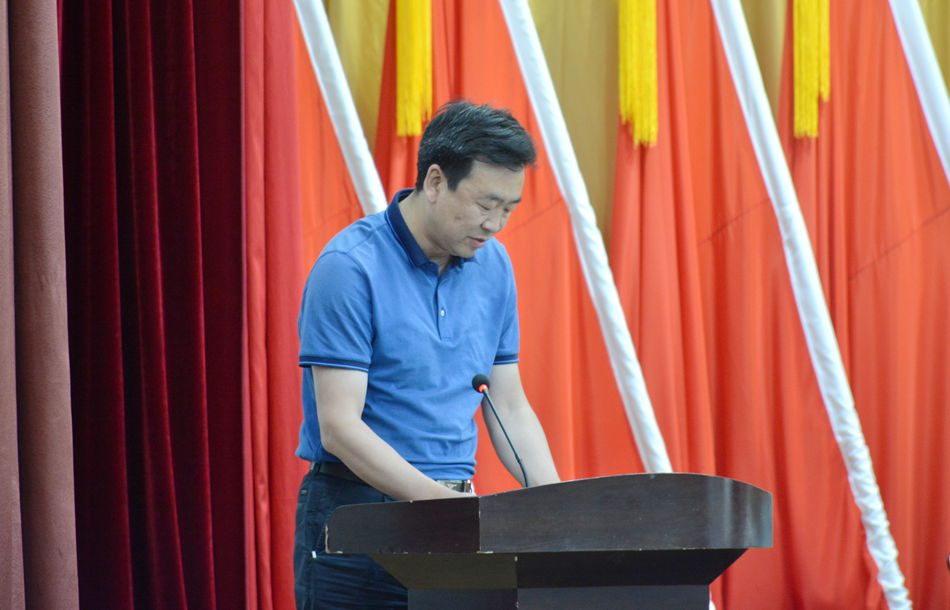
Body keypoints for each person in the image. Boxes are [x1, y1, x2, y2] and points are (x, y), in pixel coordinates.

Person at [293, 101, 560, 608]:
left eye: (509, 209)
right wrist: (447, 509)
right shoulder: (350, 267)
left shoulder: (494, 266)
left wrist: (556, 509)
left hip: (452, 516)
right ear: (435, 181)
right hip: (359, 514)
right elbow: (340, 427)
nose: (496, 224)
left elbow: (508, 404)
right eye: (485, 205)